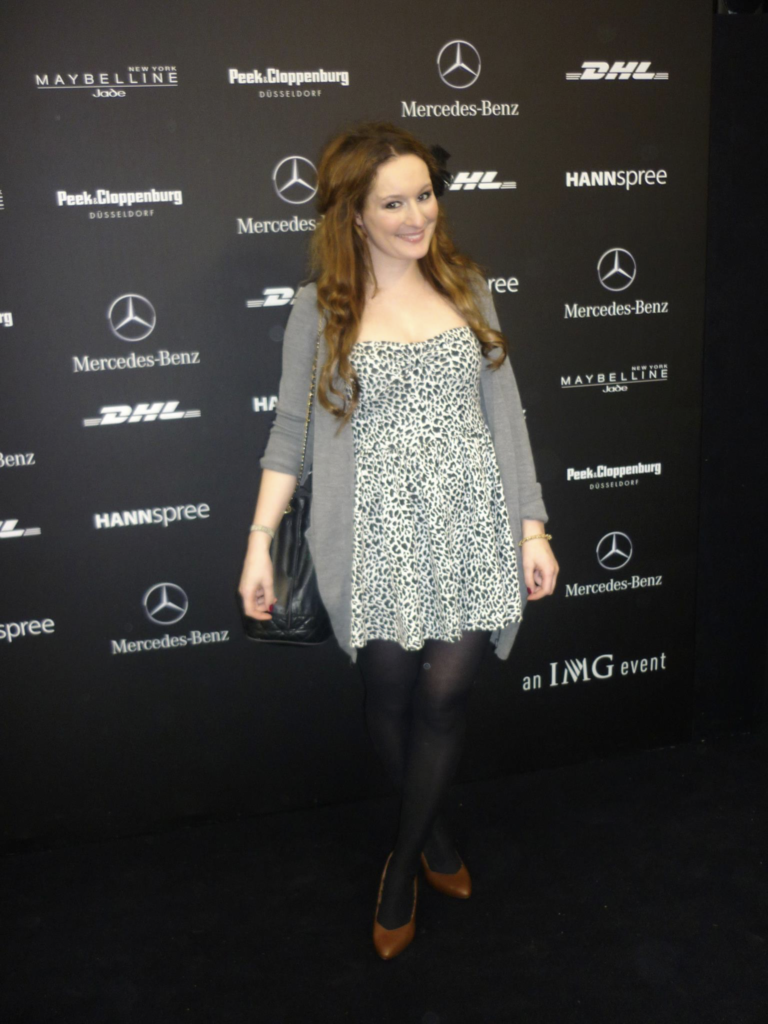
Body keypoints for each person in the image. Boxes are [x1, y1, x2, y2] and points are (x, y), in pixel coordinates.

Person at [238, 120, 558, 959]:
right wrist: (259, 542)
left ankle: (400, 868)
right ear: (354, 213)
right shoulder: (319, 309)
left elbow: (507, 416)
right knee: (388, 695)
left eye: (424, 196)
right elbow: (289, 436)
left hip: (472, 523)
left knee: (445, 696)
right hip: (375, 534)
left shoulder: (467, 286)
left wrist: (531, 526)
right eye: (394, 203)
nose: (417, 216)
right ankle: (435, 838)